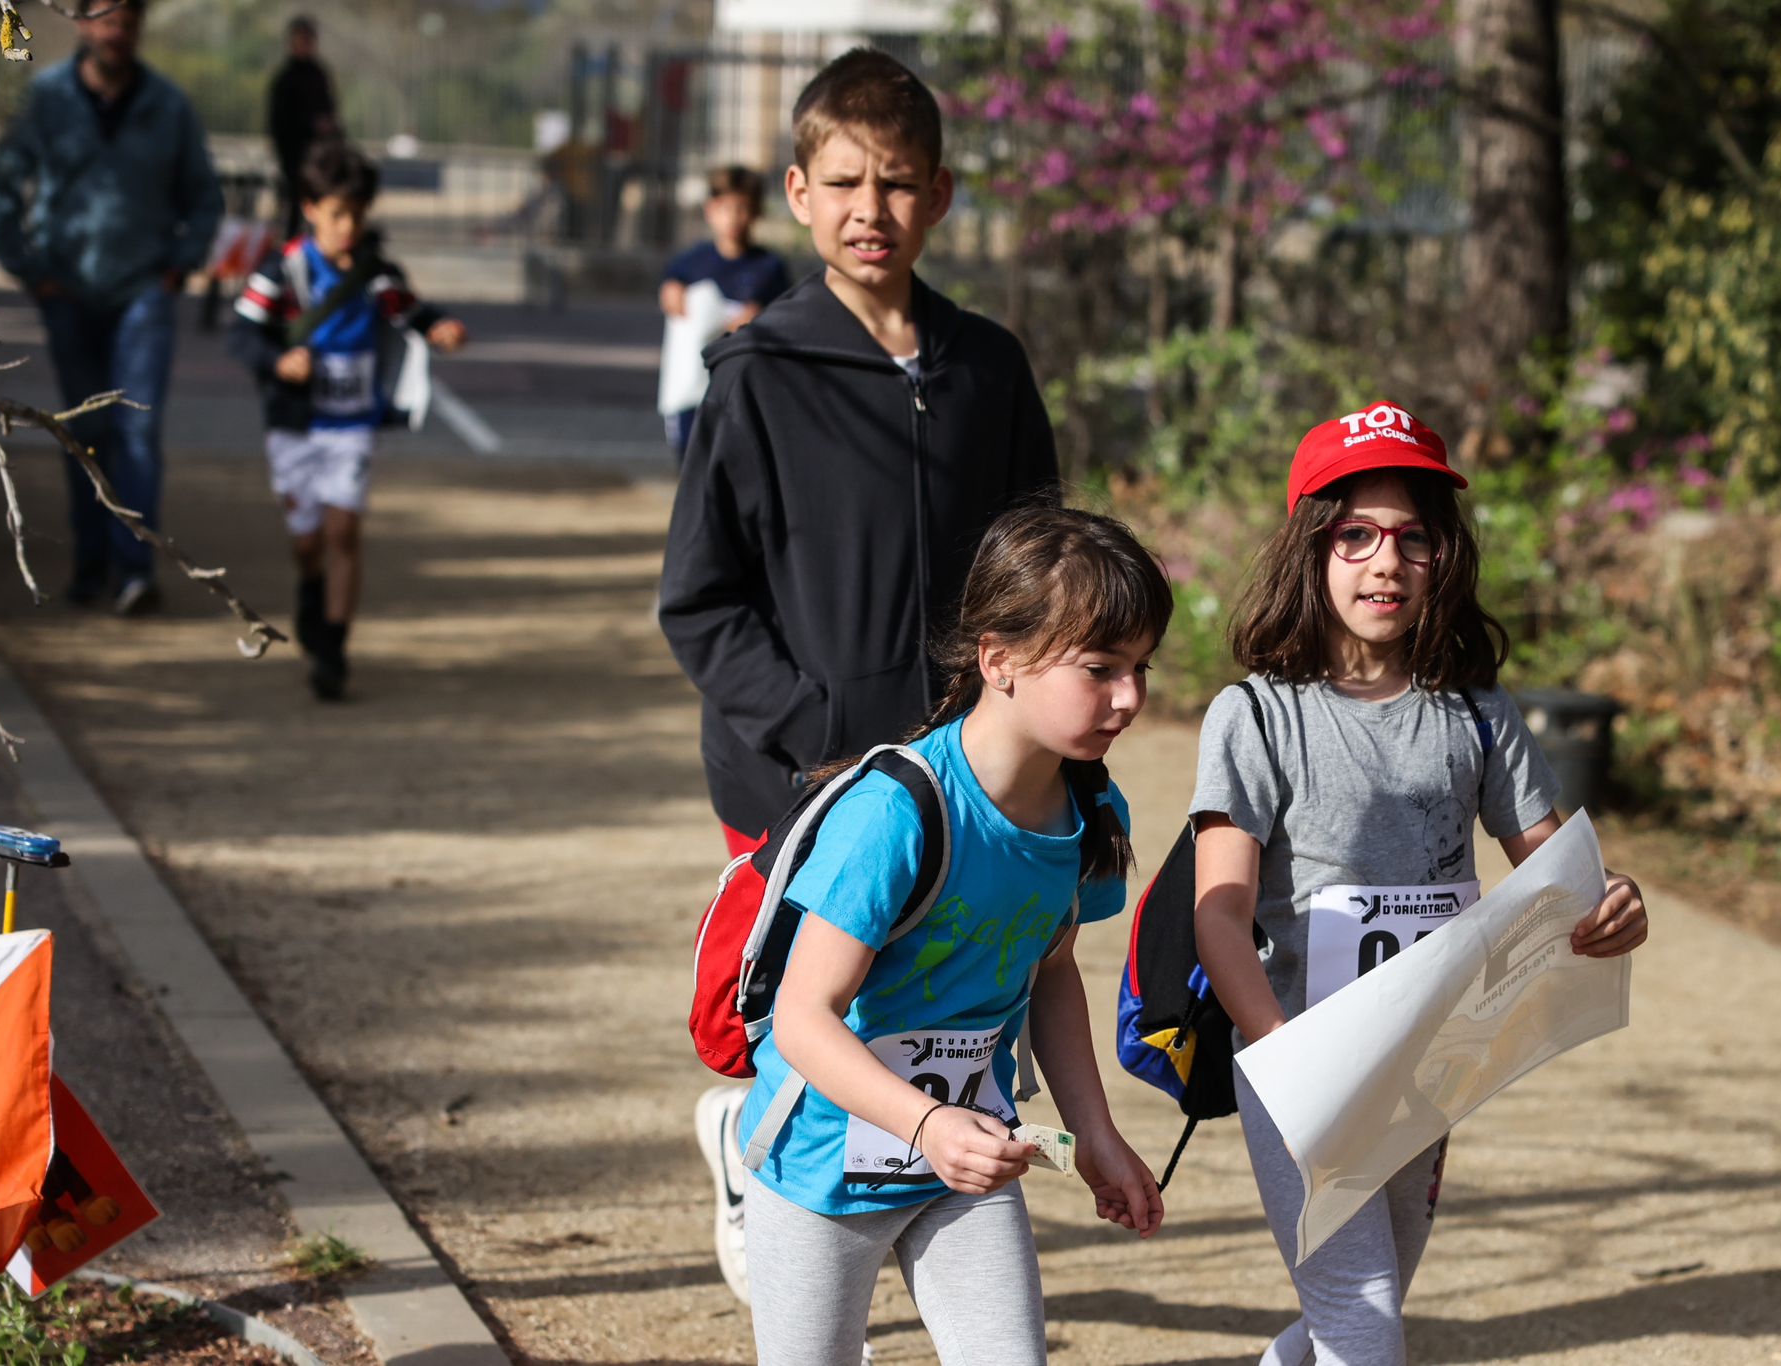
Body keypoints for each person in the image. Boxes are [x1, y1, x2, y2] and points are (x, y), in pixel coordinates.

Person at [658, 47, 1059, 1305]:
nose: (867, 208)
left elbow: (1038, 571)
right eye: (841, 182)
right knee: (813, 1007)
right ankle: (764, 1170)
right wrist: (814, 726)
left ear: (938, 194)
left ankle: (916, 1230)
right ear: (796, 192)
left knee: (935, 1003)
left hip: (956, 775)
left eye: (894, 183)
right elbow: (698, 600)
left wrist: (1024, 727)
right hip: (801, 771)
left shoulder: (988, 369)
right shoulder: (757, 377)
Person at [1190, 402, 1651, 1366]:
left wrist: (1613, 903)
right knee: (1363, 1322)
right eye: (1355, 535)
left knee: (1369, 1300)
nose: (1386, 562)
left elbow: (1562, 876)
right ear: (1310, 549)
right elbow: (1219, 914)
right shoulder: (1256, 715)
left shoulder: (1477, 713)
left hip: (1430, 1062)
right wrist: (1286, 1057)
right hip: (1301, 1062)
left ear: (1445, 554)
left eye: (1413, 538)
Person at [741, 506, 1169, 1365]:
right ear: (998, 660)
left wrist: (1093, 1135)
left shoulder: (1091, 810)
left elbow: (1051, 970)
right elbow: (803, 1018)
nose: (1128, 698)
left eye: (1140, 668)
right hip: (819, 1166)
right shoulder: (894, 815)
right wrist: (925, 1123)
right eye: (1099, 668)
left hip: (968, 1160)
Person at [0, 0, 222, 615]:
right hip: (68, 293)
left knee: (137, 428)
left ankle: (134, 570)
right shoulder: (47, 99)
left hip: (144, 292)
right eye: (106, 19)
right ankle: (91, 566)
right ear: (84, 23)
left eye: (128, 20)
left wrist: (179, 265)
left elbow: (204, 196)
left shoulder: (168, 105)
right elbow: (4, 185)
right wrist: (30, 270)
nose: (117, 32)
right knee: (84, 430)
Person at [228, 140, 467, 701]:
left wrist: (441, 329)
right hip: (295, 426)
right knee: (308, 540)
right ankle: (310, 588)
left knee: (344, 531)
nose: (348, 227)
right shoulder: (282, 270)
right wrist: (279, 362)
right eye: (337, 214)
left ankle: (333, 650)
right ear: (310, 208)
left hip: (354, 425)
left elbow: (411, 311)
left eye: (357, 215)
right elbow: (243, 335)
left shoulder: (376, 273)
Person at [657, 165, 791, 459]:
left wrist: (759, 318)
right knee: (691, 457)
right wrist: (671, 292)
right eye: (725, 208)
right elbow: (669, 293)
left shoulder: (769, 268)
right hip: (692, 387)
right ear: (710, 210)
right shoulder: (690, 263)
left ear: (756, 212)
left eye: (742, 208)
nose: (733, 217)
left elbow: (785, 317)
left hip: (741, 388)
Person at [267, 15, 340, 240]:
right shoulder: (285, 79)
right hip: (293, 157)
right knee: (291, 212)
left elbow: (330, 111)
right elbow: (279, 122)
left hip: (320, 158)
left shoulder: (319, 75)